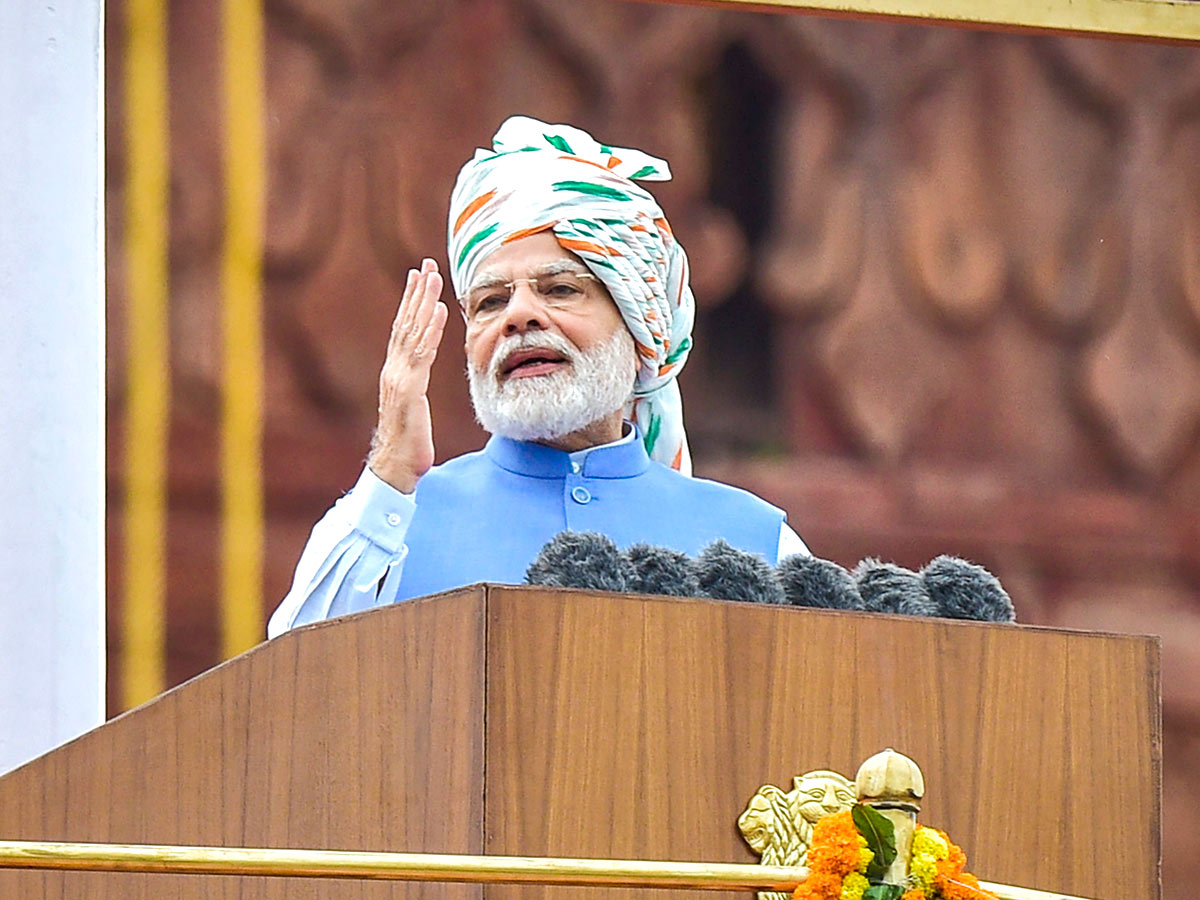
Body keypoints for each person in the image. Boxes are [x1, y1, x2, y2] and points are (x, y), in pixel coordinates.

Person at [267, 116, 808, 638]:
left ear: (638, 324)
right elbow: (294, 689)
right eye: (490, 301)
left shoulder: (752, 541)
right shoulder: (392, 524)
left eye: (559, 290)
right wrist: (388, 470)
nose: (518, 317)